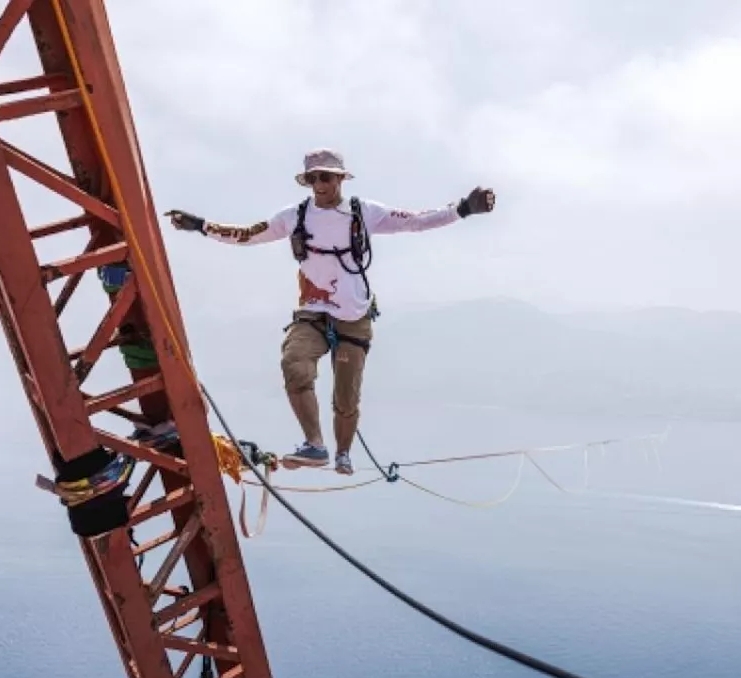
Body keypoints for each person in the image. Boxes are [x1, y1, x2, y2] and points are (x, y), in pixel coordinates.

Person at [165, 148, 495, 474]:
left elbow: (416, 221)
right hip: (313, 311)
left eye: (325, 177)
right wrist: (201, 225)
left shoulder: (363, 211)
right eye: (312, 178)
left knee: (346, 398)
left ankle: (343, 453)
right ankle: (315, 445)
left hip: (354, 315)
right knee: (294, 363)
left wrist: (464, 208)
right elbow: (248, 235)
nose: (318, 184)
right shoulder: (294, 216)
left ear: (339, 179)